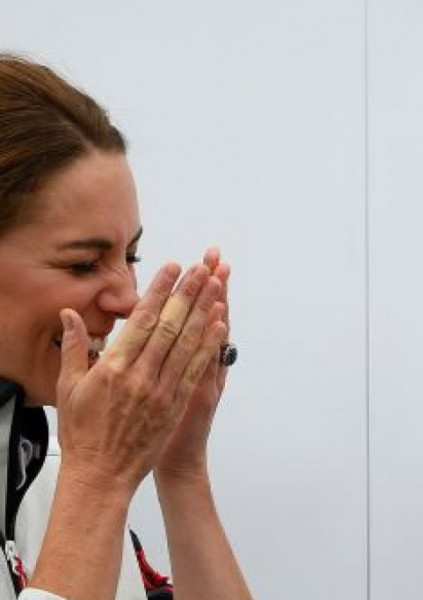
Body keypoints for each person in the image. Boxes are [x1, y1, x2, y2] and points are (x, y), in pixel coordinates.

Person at [0, 54, 254, 600]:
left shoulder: (50, 471)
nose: (128, 300)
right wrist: (98, 479)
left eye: (130, 255)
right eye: (83, 264)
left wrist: (180, 469)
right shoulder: (83, 481)